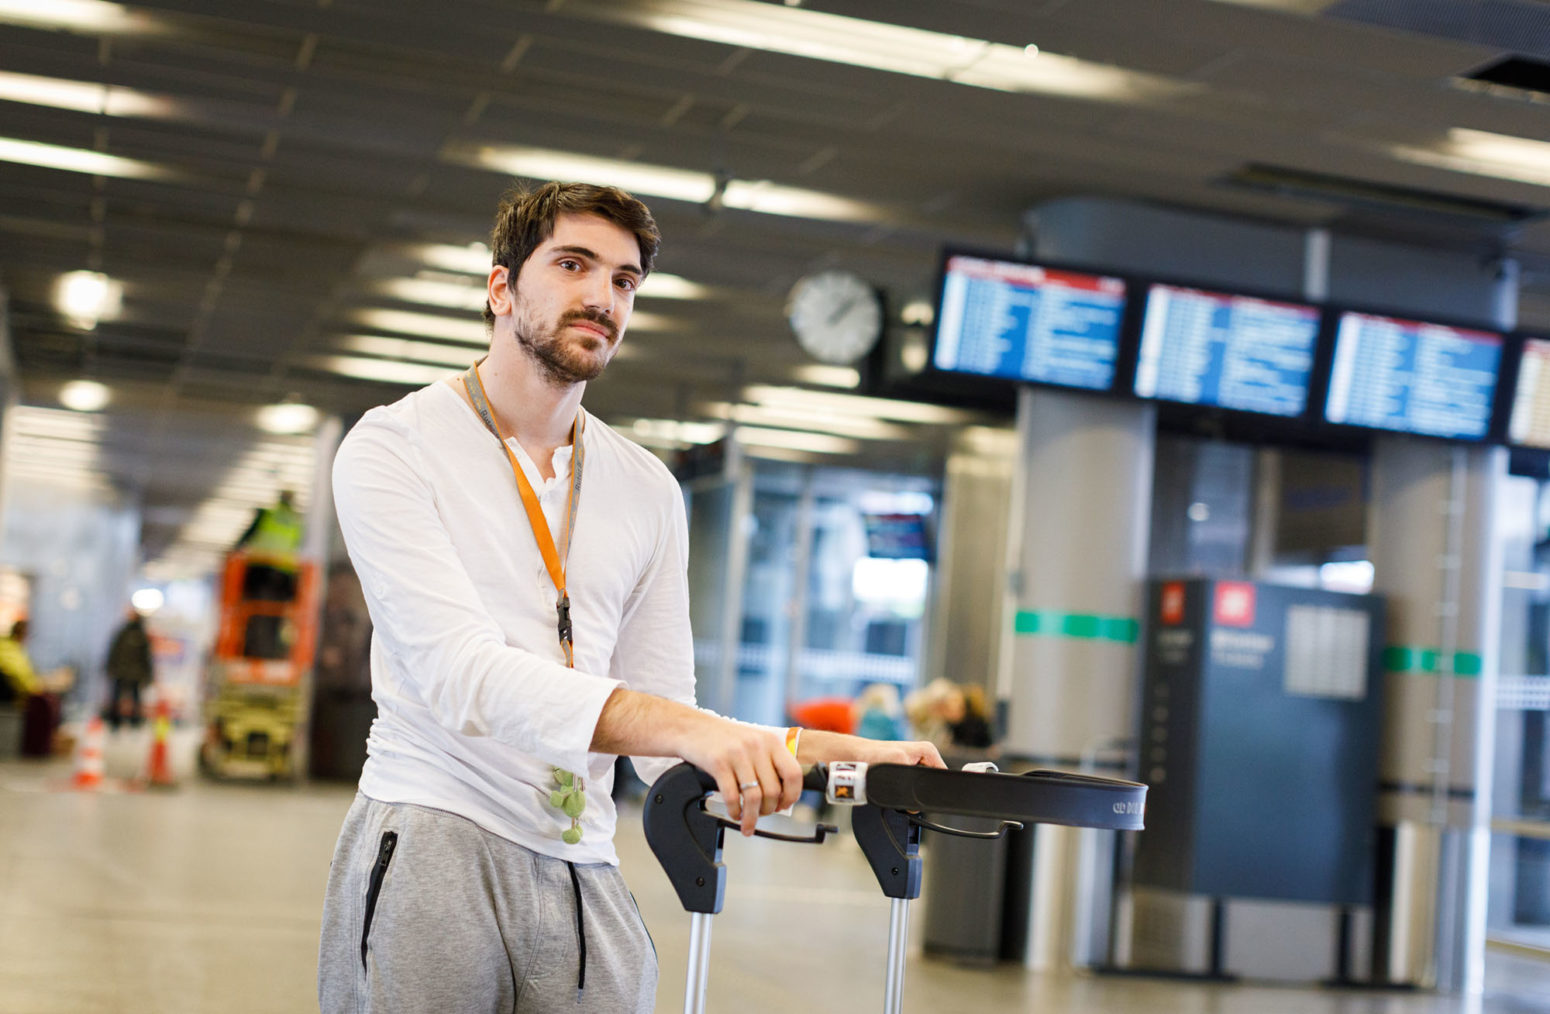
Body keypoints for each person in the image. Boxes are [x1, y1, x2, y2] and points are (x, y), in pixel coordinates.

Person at [317, 181, 945, 1014]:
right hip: (436, 835)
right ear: (501, 289)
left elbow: (663, 731)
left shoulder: (646, 488)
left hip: (584, 860)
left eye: (623, 280)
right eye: (574, 265)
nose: (602, 296)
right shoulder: (394, 447)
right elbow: (459, 675)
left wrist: (834, 755)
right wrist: (693, 729)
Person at [104, 610, 154, 730]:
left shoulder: (140, 635)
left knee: (134, 698)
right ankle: (115, 721)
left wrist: (147, 674)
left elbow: (146, 657)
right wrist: (110, 667)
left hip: (132, 673)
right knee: (117, 697)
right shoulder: (124, 633)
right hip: (122, 671)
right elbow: (114, 651)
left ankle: (134, 722)